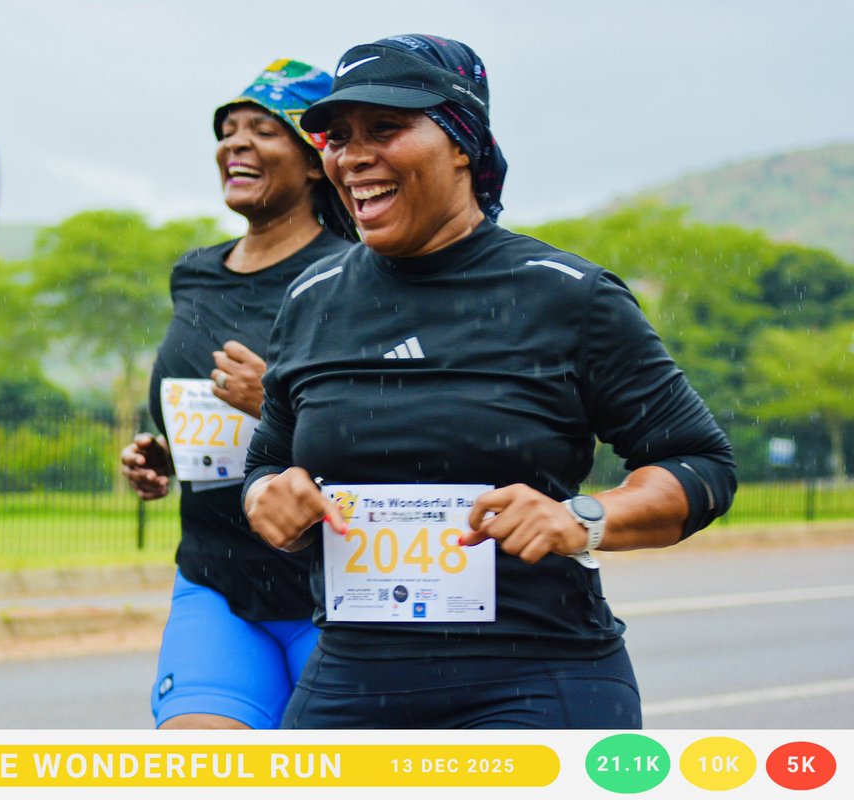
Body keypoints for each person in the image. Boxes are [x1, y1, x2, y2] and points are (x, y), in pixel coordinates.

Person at [242, 34, 737, 729]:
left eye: (386, 128)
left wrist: (580, 519)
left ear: (461, 141)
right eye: (337, 135)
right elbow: (266, 463)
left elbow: (700, 465)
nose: (352, 156)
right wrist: (267, 496)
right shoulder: (313, 297)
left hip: (537, 677)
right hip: (354, 679)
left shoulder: (568, 295)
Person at [121, 58, 358, 730]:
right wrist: (164, 455)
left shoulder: (354, 276)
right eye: (228, 130)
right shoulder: (195, 274)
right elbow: (193, 406)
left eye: (264, 129)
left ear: (316, 162)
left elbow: (393, 431)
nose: (236, 142)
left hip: (333, 587)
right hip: (216, 578)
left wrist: (273, 404)